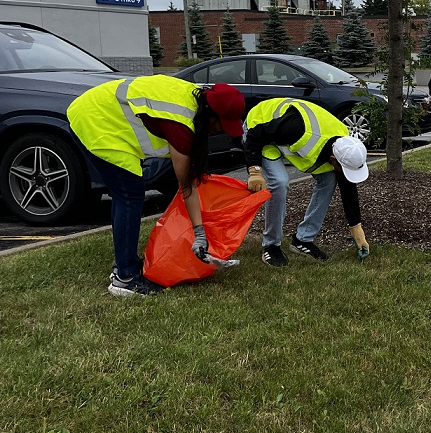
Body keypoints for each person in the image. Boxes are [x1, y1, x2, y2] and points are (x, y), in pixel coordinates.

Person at [67, 77, 247, 297]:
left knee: (126, 195)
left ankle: (125, 265)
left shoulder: (197, 99)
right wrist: (199, 233)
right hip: (97, 119)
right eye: (220, 124)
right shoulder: (181, 125)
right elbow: (187, 185)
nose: (219, 130)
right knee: (130, 196)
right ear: (210, 115)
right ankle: (125, 279)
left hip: (97, 110)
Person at [242, 98, 371, 266]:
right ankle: (271, 246)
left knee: (329, 179)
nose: (345, 173)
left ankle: (303, 240)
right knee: (280, 182)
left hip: (281, 136)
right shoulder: (298, 129)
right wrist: (255, 171)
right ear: (333, 159)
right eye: (344, 168)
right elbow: (255, 135)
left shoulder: (344, 146)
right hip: (260, 127)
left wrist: (357, 229)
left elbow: (347, 186)